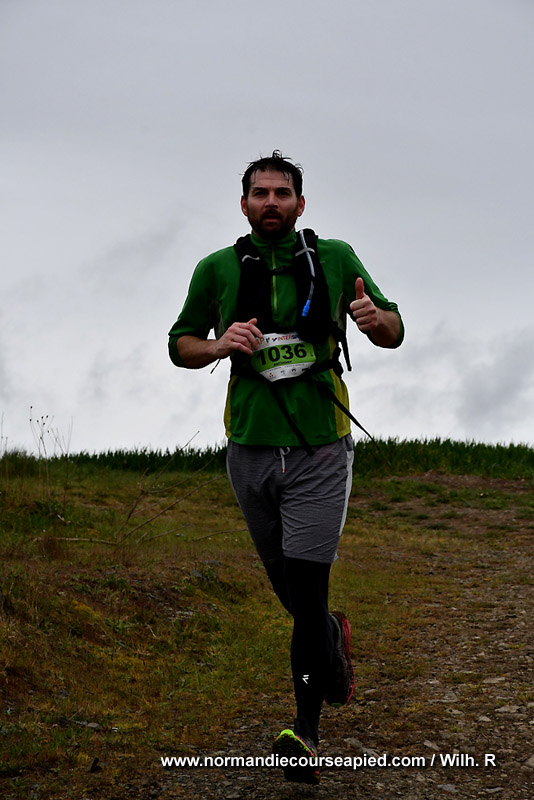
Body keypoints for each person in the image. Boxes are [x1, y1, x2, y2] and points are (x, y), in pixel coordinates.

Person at [168, 151, 404, 784]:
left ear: (301, 204)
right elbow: (179, 344)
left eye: (282, 193)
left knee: (308, 587)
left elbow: (394, 329)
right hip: (249, 447)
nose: (270, 202)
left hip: (320, 447)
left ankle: (305, 733)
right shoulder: (215, 269)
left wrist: (374, 319)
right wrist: (219, 344)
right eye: (260, 193)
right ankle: (330, 638)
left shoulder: (337, 258)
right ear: (243, 204)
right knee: (294, 596)